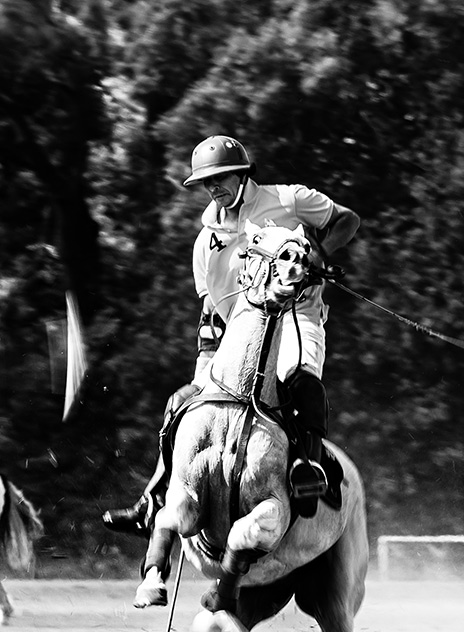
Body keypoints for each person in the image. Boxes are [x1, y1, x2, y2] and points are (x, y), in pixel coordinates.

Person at [104, 134, 360, 606]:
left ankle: (306, 467)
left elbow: (347, 220)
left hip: (297, 318)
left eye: (220, 178)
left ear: (243, 174)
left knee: (299, 378)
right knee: (182, 403)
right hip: (235, 333)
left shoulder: (289, 199)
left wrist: (319, 255)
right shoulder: (206, 240)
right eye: (206, 182)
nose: (214, 188)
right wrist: (203, 366)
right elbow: (210, 308)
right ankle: (153, 498)